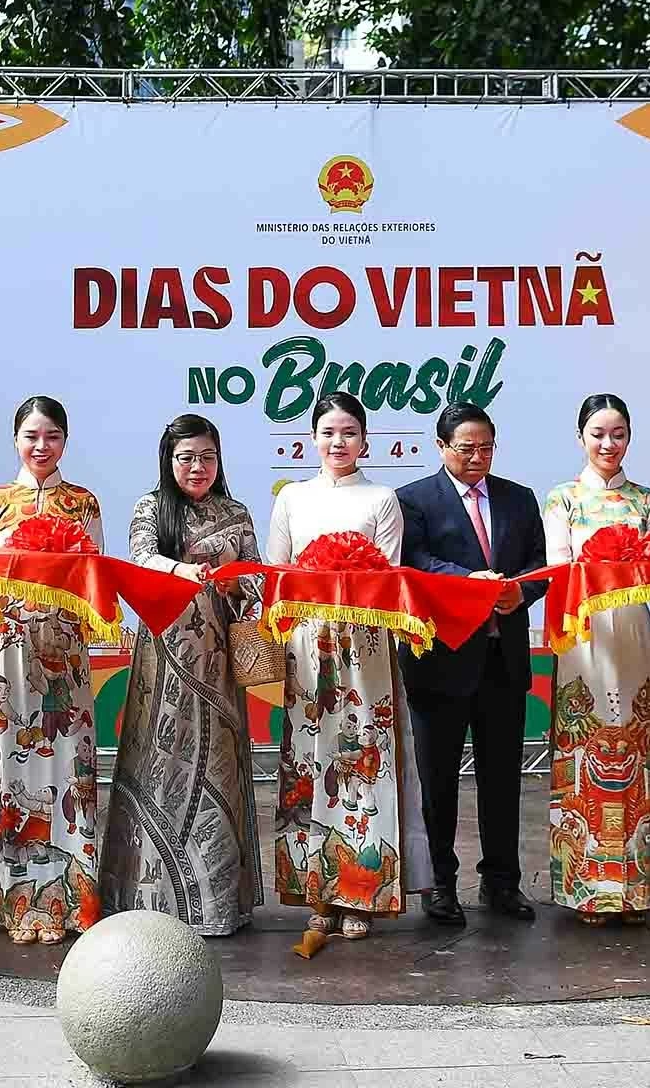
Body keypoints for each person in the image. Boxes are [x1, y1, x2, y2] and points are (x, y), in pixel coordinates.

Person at [264, 392, 431, 939]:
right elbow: (277, 573)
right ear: (312, 438)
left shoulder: (383, 498)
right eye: (329, 432)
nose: (339, 443)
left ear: (365, 440)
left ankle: (362, 894)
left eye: (350, 433)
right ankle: (318, 893)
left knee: (366, 766)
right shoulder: (292, 498)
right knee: (312, 764)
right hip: (307, 647)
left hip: (367, 648)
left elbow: (390, 577)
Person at [104, 414, 262, 935]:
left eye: (207, 457)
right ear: (169, 461)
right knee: (158, 764)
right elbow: (142, 557)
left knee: (217, 767)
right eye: (186, 457)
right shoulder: (152, 508)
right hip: (163, 658)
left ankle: (217, 905)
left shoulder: (236, 513)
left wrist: (240, 588)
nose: (197, 467)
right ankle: (150, 901)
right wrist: (184, 571)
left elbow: (256, 578)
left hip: (216, 661)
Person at [0, 396, 105, 942]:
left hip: (64, 655)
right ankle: (11, 902)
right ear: (15, 440)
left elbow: (94, 580)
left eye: (50, 436)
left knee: (69, 769)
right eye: (30, 436)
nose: (40, 446)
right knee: (9, 769)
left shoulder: (84, 504)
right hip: (8, 655)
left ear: (64, 441)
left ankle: (74, 901)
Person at [397, 402, 543, 925]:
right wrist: (470, 585)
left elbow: (538, 568)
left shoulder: (519, 499)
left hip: (504, 658)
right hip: (440, 661)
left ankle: (502, 882)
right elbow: (414, 563)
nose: (478, 457)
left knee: (503, 779)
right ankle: (440, 884)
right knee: (438, 782)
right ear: (441, 448)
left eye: (486, 448)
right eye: (467, 448)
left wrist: (518, 593)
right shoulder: (413, 500)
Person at [531, 395, 650, 924]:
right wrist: (605, 565)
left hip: (634, 634)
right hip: (583, 635)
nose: (608, 445)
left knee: (638, 754)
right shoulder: (562, 500)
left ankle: (634, 890)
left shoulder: (648, 501)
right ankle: (584, 888)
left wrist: (630, 565)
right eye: (598, 434)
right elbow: (557, 568)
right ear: (580, 437)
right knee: (583, 756)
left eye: (618, 434)